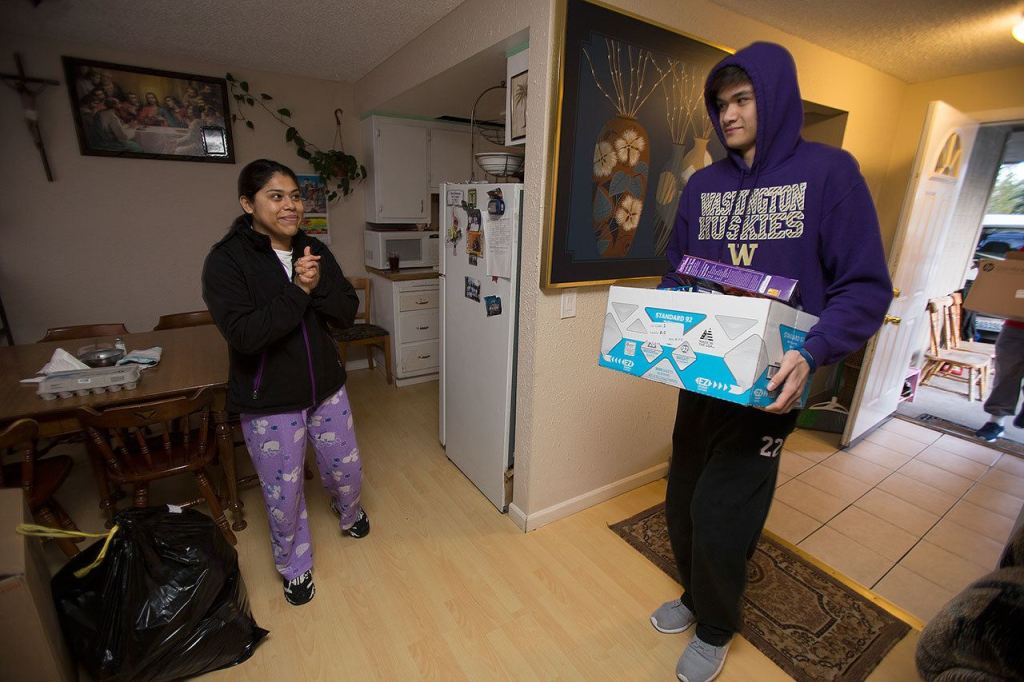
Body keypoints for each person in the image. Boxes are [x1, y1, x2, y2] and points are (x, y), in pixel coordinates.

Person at [654, 42, 892, 682]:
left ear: (775, 97)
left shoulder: (831, 174)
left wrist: (813, 351)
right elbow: (678, 273)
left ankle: (715, 624)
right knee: (680, 500)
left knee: (724, 511)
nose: (728, 115)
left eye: (742, 99)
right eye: (720, 104)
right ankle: (692, 594)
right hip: (701, 377)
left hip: (768, 387)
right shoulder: (703, 186)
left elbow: (865, 288)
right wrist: (659, 317)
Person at [202, 159, 369, 606]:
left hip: (326, 386)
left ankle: (349, 511)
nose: (290, 205)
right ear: (248, 204)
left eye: (295, 196)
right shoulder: (226, 261)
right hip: (268, 399)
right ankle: (294, 565)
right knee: (284, 491)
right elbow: (246, 335)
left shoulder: (313, 248)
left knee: (346, 469)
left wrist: (316, 287)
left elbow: (346, 311)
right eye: (276, 196)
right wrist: (297, 291)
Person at [975, 247, 1024, 442]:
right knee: (1006, 374)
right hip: (1017, 326)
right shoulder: (1021, 252)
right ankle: (996, 422)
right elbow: (1011, 283)